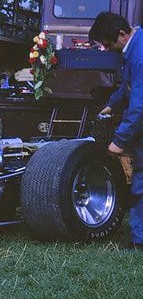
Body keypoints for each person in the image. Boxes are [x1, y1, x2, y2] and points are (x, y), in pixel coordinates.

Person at [90, 12, 143, 249]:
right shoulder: (133, 49)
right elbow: (128, 87)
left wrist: (119, 141)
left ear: (122, 35)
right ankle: (139, 239)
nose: (107, 49)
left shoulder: (140, 54)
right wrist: (112, 103)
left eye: (108, 44)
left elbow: (140, 105)